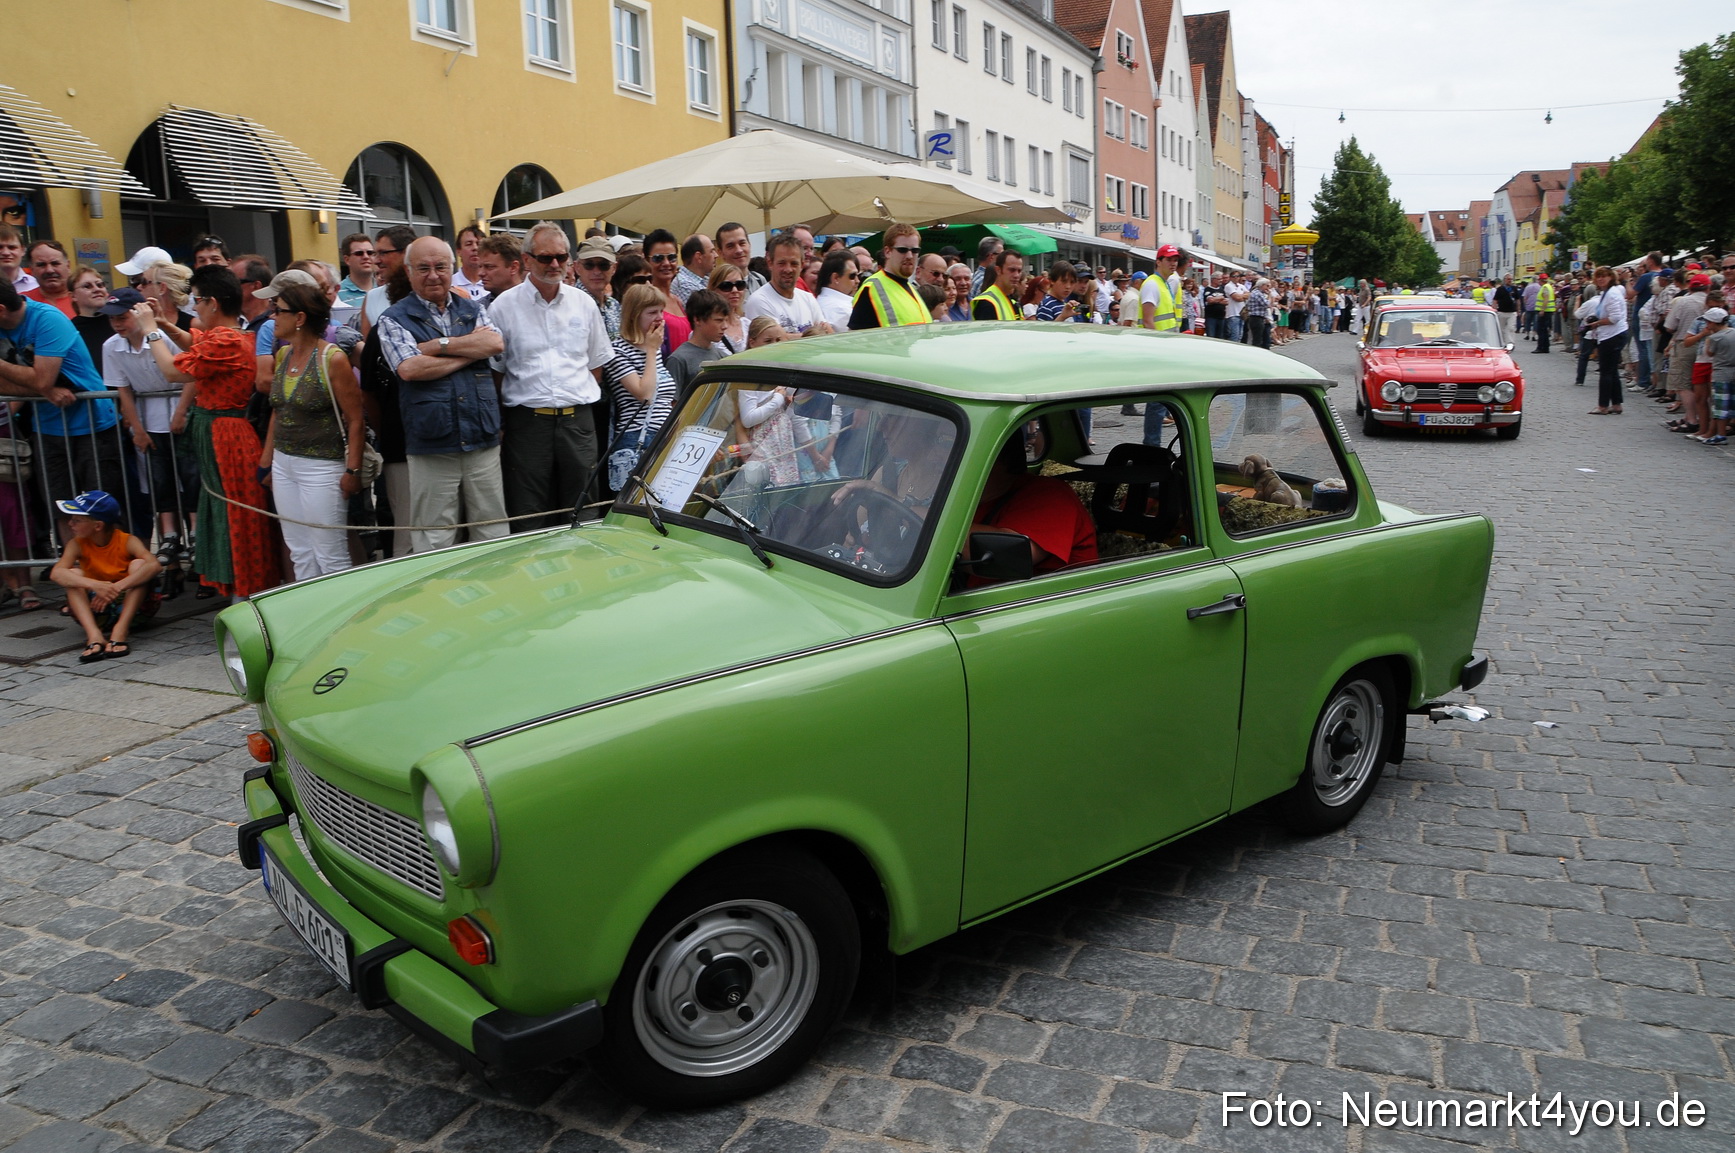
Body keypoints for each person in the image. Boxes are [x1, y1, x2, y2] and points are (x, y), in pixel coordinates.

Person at [133, 266, 278, 597]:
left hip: (228, 436)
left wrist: (150, 330)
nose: (194, 308)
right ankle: (240, 588)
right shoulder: (227, 335)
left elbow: (173, 372)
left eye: (197, 300)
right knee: (225, 511)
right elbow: (192, 341)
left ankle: (247, 590)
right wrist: (164, 323)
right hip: (221, 433)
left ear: (213, 302)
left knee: (234, 514)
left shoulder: (226, 339)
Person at [377, 237, 508, 552]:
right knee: (434, 538)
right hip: (432, 443)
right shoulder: (393, 318)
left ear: (453, 268)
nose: (433, 275)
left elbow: (494, 344)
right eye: (423, 268)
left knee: (493, 533)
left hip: (482, 439)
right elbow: (409, 369)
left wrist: (438, 346)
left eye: (440, 267)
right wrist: (470, 351)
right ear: (409, 272)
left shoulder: (472, 308)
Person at [484, 222, 609, 532]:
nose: (555, 264)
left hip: (577, 422)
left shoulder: (584, 304)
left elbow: (595, 365)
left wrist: (571, 394)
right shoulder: (503, 307)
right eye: (545, 257)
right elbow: (496, 373)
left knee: (583, 510)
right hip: (527, 425)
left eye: (562, 257)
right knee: (529, 511)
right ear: (526, 260)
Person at [256, 279, 365, 579]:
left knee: (330, 553)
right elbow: (279, 411)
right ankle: (309, 618)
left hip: (322, 467)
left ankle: (343, 622)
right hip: (284, 463)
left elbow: (355, 418)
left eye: (278, 310)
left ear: (300, 318)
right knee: (299, 550)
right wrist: (267, 461)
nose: (272, 317)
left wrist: (352, 471)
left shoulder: (332, 359)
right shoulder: (283, 355)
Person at [102, 287, 198, 558]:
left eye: (123, 317)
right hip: (147, 414)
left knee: (190, 474)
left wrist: (181, 412)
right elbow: (123, 389)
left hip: (179, 406)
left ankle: (194, 529)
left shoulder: (162, 337)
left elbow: (191, 373)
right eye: (113, 319)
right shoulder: (111, 346)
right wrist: (137, 429)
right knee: (159, 477)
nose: (117, 324)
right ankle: (169, 532)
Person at [50, 491, 160, 662]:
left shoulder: (126, 540)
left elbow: (154, 564)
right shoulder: (76, 544)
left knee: (139, 565)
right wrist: (96, 585)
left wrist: (116, 587)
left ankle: (120, 631)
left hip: (134, 609)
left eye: (77, 520)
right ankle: (94, 635)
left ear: (98, 526)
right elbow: (56, 573)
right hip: (97, 609)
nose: (70, 523)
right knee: (71, 574)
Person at [970, 434, 1096, 575]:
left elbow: (1010, 556)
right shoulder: (965, 498)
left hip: (1050, 595)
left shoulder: (1049, 495)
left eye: (947, 444)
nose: (939, 456)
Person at [600, 284, 680, 492]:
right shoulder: (618, 351)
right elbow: (645, 394)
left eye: (661, 311)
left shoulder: (652, 349)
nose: (660, 318)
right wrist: (652, 350)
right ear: (635, 315)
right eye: (652, 312)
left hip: (664, 434)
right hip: (638, 437)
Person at [744, 234, 832, 336]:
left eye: (794, 263)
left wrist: (789, 336)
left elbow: (827, 334)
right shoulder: (759, 301)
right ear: (770, 263)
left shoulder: (808, 299)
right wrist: (814, 334)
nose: (788, 269)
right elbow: (774, 342)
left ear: (802, 265)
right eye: (782, 263)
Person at [849, 224, 930, 330]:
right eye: (902, 250)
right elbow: (857, 339)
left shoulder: (911, 288)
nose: (910, 256)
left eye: (915, 251)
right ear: (887, 252)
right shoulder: (871, 288)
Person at [1582, 266, 1628, 416]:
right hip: (1612, 334)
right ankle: (1616, 404)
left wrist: (1598, 323)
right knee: (1612, 371)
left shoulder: (1612, 294)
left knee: (1606, 372)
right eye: (1598, 276)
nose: (1601, 279)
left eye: (1604, 276)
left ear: (1611, 277)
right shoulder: (1607, 293)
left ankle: (1603, 405)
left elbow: (1615, 317)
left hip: (1612, 335)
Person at [668, 289, 728, 389]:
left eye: (726, 320)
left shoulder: (722, 357)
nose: (724, 326)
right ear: (697, 320)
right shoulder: (679, 359)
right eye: (719, 320)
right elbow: (672, 401)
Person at [1695, 307, 1732, 445]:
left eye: (1708, 322)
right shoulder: (1733, 333)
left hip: (1720, 373)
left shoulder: (1714, 338)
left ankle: (1721, 434)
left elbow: (1710, 353)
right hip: (1732, 370)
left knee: (1720, 406)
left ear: (1713, 323)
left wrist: (1708, 339)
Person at [69, 265, 116, 366]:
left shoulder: (119, 321)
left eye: (100, 285)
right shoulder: (70, 330)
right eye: (87, 286)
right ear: (73, 296)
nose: (96, 289)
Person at [24, 240, 74, 317]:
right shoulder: (22, 302)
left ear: (68, 266)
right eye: (41, 265)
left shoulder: (85, 299)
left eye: (55, 263)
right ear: (32, 270)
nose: (49, 270)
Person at [707, 262, 750, 352]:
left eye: (740, 285)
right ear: (713, 290)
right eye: (726, 286)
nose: (735, 290)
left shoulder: (748, 325)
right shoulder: (706, 329)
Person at [473, 233, 524, 307]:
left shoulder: (539, 303)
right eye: (480, 266)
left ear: (514, 267)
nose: (480, 273)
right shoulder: (477, 310)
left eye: (489, 267)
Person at [971, 250, 1024, 321]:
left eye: (1019, 271)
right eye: (1012, 270)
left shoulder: (1013, 302)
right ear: (998, 270)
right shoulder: (987, 303)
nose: (1016, 275)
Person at [1140, 245, 1183, 332]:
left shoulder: (1163, 283)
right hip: (1156, 341)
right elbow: (1147, 322)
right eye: (1168, 260)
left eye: (1175, 260)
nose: (1173, 263)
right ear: (1158, 262)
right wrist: (1158, 341)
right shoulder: (1152, 284)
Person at [715, 222, 766, 293]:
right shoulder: (718, 287)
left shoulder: (760, 280)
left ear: (749, 245)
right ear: (720, 253)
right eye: (730, 246)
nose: (739, 250)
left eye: (742, 243)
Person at [814, 252, 859, 331]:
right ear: (836, 278)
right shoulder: (842, 310)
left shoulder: (819, 301)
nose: (857, 281)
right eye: (852, 276)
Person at [672, 233, 716, 304]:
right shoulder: (686, 286)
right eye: (711, 251)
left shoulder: (702, 279)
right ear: (699, 257)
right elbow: (710, 312)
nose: (716, 255)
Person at [336, 233, 376, 306]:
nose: (366, 257)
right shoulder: (336, 293)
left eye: (370, 253)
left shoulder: (386, 290)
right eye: (359, 253)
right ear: (347, 260)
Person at [0, 225, 37, 294]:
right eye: (0, 247)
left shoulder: (36, 285)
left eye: (12, 247)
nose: (6, 253)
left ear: (23, 250)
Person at [451, 226, 486, 296]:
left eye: (479, 244)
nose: (475, 248)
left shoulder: (495, 285)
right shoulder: (451, 285)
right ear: (458, 251)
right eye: (469, 244)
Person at [1533, 273, 1556, 353]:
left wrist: (1542, 310)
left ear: (1540, 280)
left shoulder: (1545, 287)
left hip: (1544, 311)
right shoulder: (1549, 286)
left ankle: (1541, 347)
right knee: (1545, 330)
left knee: (1541, 330)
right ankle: (1546, 347)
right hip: (1548, 311)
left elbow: (1546, 299)